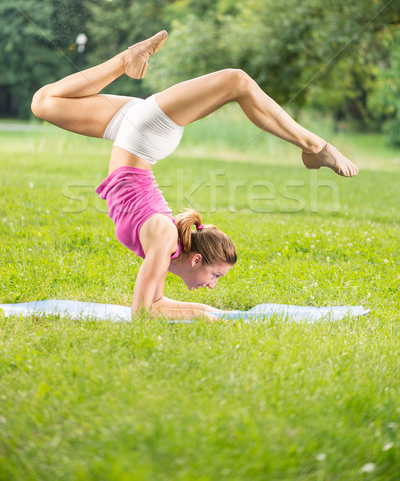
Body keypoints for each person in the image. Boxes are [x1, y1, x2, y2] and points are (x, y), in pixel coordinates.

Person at [31, 31, 358, 321]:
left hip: (133, 134)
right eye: (215, 275)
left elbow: (154, 305)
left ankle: (125, 60)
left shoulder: (165, 243)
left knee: (44, 103)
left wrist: (215, 314)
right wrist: (214, 316)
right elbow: (144, 312)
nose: (212, 285)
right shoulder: (164, 238)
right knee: (237, 81)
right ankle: (316, 145)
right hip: (142, 136)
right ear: (196, 259)